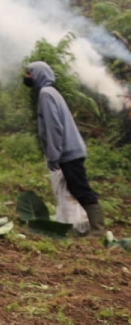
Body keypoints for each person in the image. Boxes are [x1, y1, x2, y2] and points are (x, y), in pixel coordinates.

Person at [25, 61, 105, 234]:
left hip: (68, 152)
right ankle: (83, 225)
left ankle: (98, 228)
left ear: (38, 74)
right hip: (71, 150)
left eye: (29, 73)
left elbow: (54, 127)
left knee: (80, 188)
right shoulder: (51, 92)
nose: (27, 77)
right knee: (76, 187)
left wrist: (53, 156)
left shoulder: (45, 94)